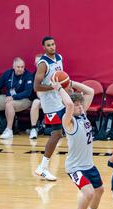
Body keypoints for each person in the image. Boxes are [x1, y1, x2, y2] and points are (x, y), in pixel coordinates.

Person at [53, 77, 101, 209]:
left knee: (99, 190)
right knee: (89, 193)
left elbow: (91, 91)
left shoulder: (83, 115)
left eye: (81, 104)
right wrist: (59, 88)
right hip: (75, 167)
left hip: (88, 164)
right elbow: (69, 104)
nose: (80, 107)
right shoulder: (69, 121)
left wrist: (70, 83)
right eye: (77, 105)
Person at [34, 36, 65, 181]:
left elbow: (60, 78)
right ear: (44, 47)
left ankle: (75, 163)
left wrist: (65, 87)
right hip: (50, 104)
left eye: (53, 44)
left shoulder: (59, 57)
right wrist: (52, 88)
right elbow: (36, 86)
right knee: (57, 133)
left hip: (60, 99)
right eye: (48, 45)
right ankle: (42, 167)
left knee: (69, 128)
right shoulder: (43, 63)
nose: (52, 47)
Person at [29, 54, 44, 140]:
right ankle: (33, 129)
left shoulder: (51, 73)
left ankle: (56, 130)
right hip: (42, 99)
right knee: (35, 102)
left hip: (54, 98)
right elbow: (38, 92)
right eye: (36, 63)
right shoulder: (35, 75)